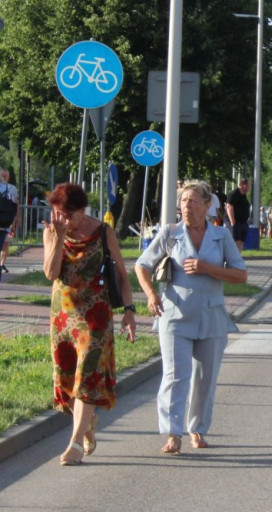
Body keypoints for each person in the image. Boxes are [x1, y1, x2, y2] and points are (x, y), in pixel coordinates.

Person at [136, 181, 247, 454]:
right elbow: (142, 265)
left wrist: (207, 268)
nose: (187, 205)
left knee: (205, 378)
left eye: (193, 200)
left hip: (211, 316)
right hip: (175, 315)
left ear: (208, 206)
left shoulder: (221, 236)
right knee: (176, 376)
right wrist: (151, 294)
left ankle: (197, 428)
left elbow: (240, 275)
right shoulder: (170, 233)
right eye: (184, 200)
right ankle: (173, 432)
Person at [42, 183, 136, 466]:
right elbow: (51, 273)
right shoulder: (53, 231)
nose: (63, 220)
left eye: (68, 215)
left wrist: (129, 311)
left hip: (96, 315)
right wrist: (58, 237)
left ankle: (74, 445)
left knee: (88, 378)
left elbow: (121, 272)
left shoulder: (103, 231)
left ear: (82, 210)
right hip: (63, 317)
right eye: (58, 214)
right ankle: (87, 425)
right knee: (68, 379)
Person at [0, 167, 19, 275]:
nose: (4, 177)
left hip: (5, 223)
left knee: (5, 244)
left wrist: (17, 219)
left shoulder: (12, 188)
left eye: (5, 176)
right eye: (2, 175)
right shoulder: (10, 188)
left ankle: (2, 264)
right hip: (5, 223)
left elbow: (15, 205)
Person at [225, 178, 251, 251]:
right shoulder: (234, 193)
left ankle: (238, 259)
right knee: (235, 241)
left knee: (241, 241)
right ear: (243, 185)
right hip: (235, 222)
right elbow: (229, 206)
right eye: (248, 185)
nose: (249, 187)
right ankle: (232, 259)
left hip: (243, 222)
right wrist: (233, 222)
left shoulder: (243, 195)